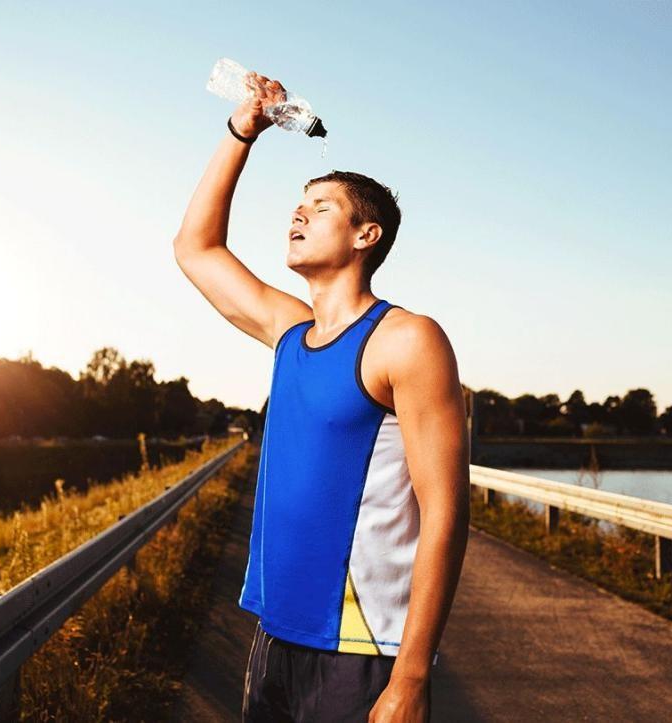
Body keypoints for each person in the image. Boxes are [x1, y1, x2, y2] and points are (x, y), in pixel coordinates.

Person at [172, 69, 470, 722]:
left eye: (323, 206)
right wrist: (239, 132)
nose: (299, 212)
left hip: (363, 647)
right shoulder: (290, 330)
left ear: (368, 236)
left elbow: (446, 510)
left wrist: (412, 678)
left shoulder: (406, 340)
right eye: (299, 204)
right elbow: (195, 248)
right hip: (275, 631)